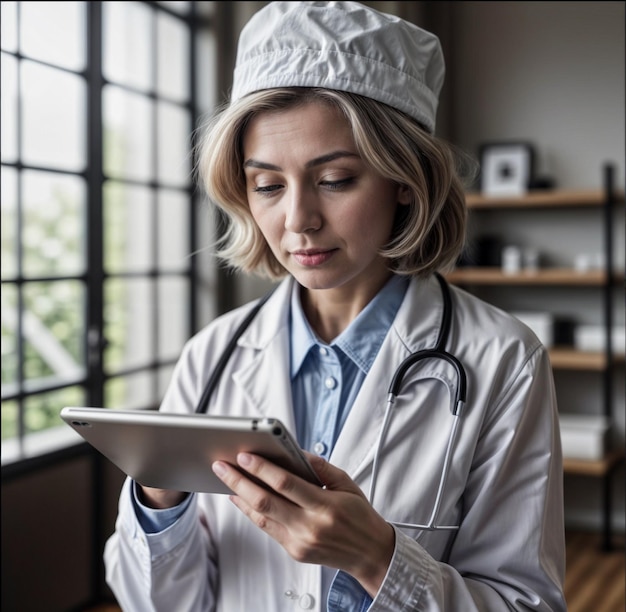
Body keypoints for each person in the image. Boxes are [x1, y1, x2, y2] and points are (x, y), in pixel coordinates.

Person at [104, 2, 566, 610]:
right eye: (267, 185)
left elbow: (527, 602)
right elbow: (152, 600)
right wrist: (159, 503)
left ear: (406, 178)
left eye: (336, 179)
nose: (297, 220)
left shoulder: (504, 361)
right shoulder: (213, 355)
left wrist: (378, 558)